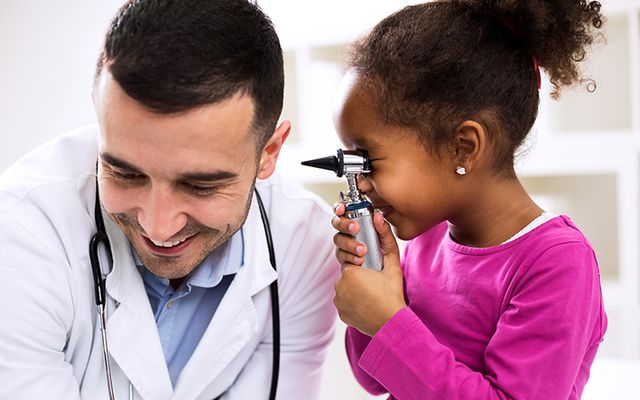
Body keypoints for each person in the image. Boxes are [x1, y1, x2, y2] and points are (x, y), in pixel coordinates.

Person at [0, 0, 339, 399]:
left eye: (201, 186)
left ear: (269, 152)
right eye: (124, 173)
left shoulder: (305, 244)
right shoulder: (20, 233)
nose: (158, 227)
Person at [330, 1, 608, 399]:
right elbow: (373, 379)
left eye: (369, 160)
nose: (361, 182)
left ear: (464, 147)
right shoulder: (426, 241)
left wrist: (388, 321)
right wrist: (372, 289)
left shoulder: (557, 262)